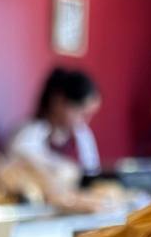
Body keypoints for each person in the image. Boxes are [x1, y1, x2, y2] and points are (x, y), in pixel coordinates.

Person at [8, 67, 102, 195]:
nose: (85, 121)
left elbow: (92, 174)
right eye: (81, 113)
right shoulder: (27, 135)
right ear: (58, 101)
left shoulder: (82, 136)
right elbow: (18, 166)